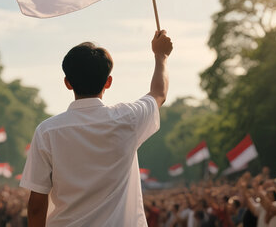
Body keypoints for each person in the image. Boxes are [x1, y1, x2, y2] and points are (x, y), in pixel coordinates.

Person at [20, 30, 173, 226]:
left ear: (68, 83)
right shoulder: (128, 118)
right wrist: (161, 56)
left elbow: (36, 206)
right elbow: (159, 93)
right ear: (108, 82)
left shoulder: (47, 131)